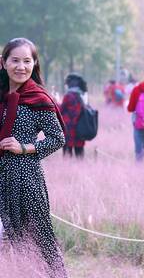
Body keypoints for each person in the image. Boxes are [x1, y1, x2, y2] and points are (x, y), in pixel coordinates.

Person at [0, 38, 67, 277]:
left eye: (27, 61)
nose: (21, 66)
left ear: (34, 63)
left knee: (39, 239)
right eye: (15, 60)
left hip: (25, 178)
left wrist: (25, 148)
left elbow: (58, 138)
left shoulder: (38, 98)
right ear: (3, 62)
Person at [60, 73, 88, 158]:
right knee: (79, 151)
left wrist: (55, 102)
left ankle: (68, 168)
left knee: (67, 151)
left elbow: (61, 110)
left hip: (69, 127)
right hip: (80, 126)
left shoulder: (68, 95)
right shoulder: (83, 95)